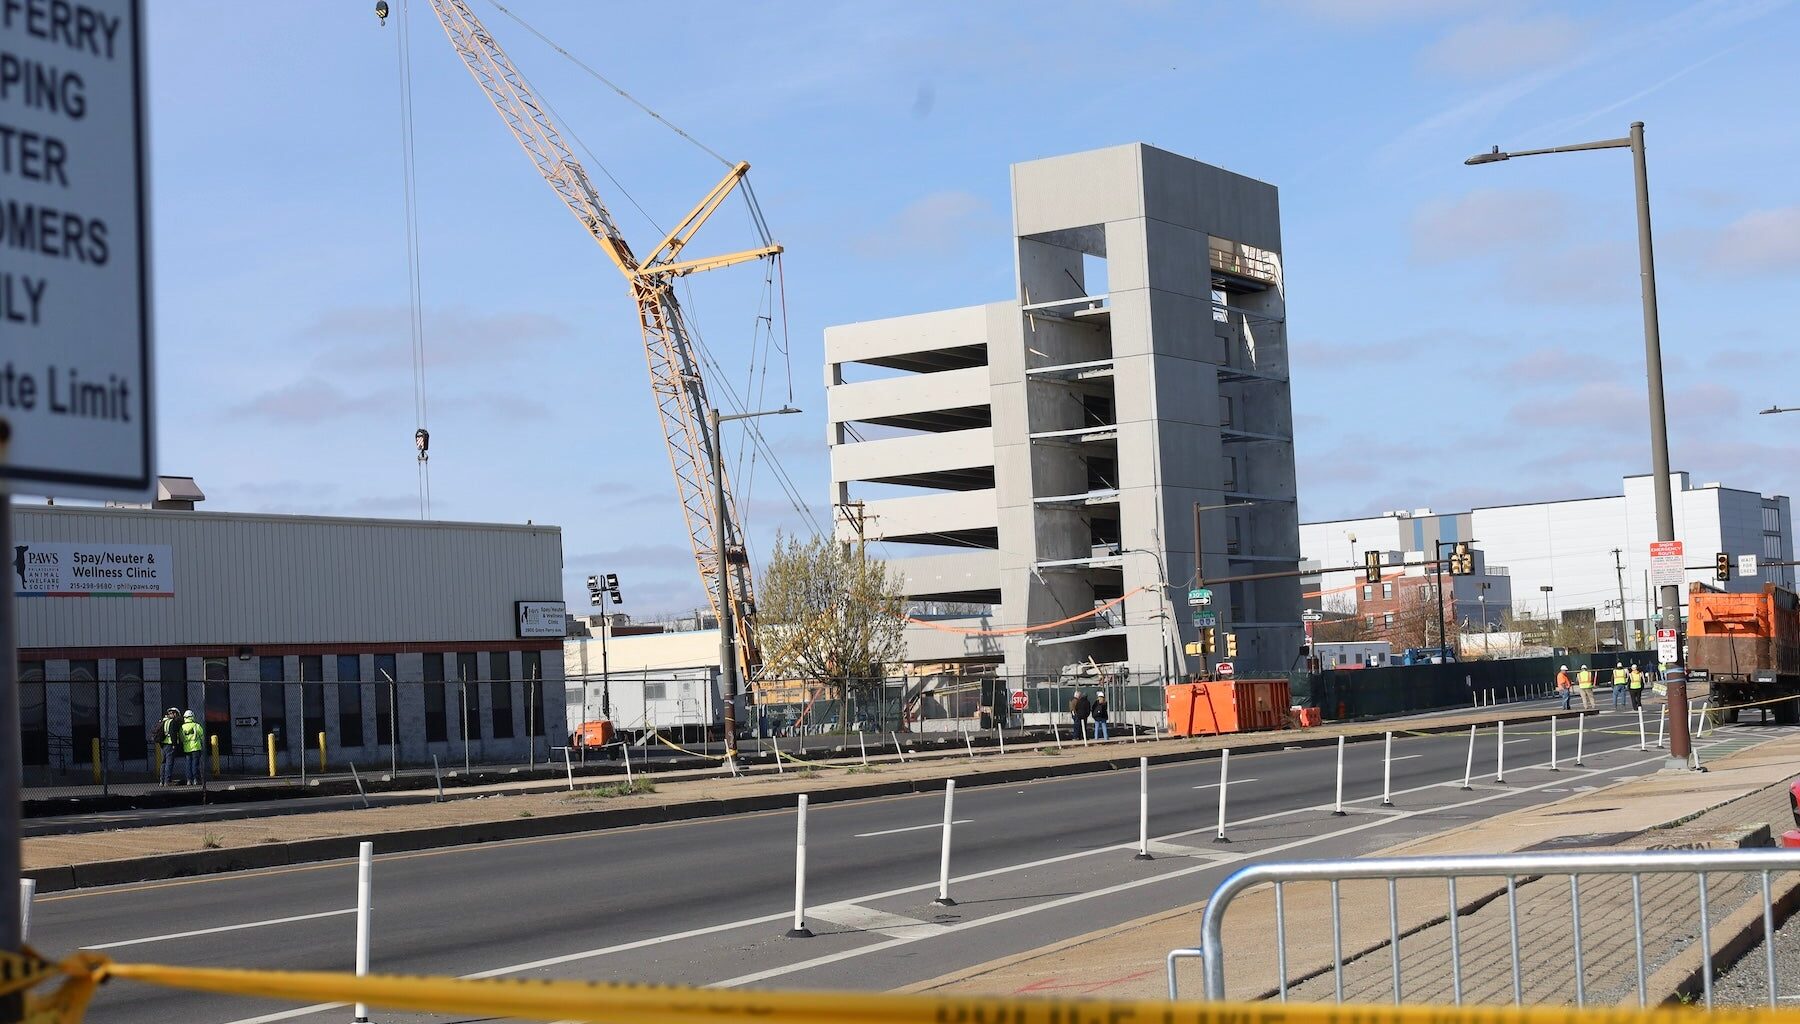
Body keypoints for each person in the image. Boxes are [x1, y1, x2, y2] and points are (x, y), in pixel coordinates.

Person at [154, 707, 181, 785]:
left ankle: (161, 781)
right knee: (169, 763)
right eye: (176, 714)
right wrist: (174, 744)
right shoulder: (172, 722)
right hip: (169, 744)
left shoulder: (163, 721)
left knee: (163, 762)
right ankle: (167, 781)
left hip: (163, 745)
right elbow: (173, 734)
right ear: (174, 713)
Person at [179, 710, 205, 786]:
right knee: (195, 764)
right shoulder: (196, 726)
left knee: (188, 764)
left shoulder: (182, 727)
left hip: (187, 748)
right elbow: (202, 736)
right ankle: (195, 779)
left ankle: (188, 780)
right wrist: (202, 745)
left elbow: (181, 738)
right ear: (192, 717)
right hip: (196, 748)